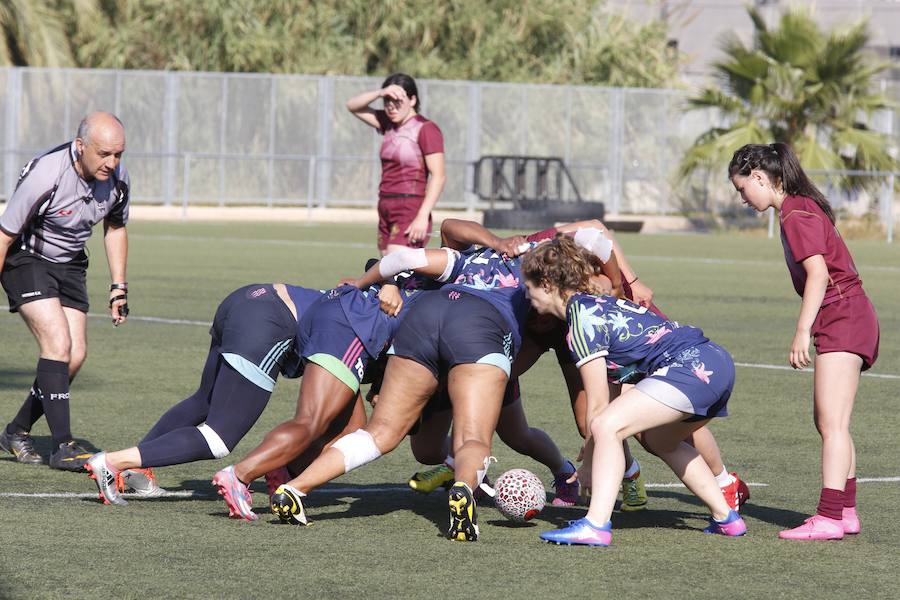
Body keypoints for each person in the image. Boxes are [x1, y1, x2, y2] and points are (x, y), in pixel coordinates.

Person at [523, 236, 747, 546]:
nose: (527, 294)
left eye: (529, 286)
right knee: (660, 441)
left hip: (692, 367)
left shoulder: (582, 320)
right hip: (715, 363)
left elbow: (599, 407)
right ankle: (726, 518)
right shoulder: (595, 304)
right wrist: (592, 451)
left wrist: (588, 461)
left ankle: (595, 525)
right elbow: (613, 391)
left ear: (547, 284)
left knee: (605, 425)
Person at [729, 143, 879, 541]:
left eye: (743, 189)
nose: (743, 199)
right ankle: (845, 512)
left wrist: (801, 331)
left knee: (832, 424)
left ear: (760, 177)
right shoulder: (798, 207)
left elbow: (817, 274)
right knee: (832, 423)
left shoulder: (795, 212)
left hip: (843, 315)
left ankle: (829, 517)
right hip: (849, 315)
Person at [85, 283, 324, 506]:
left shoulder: (352, 301)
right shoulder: (357, 326)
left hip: (247, 298)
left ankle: (137, 469)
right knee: (218, 439)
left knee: (205, 400)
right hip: (268, 321)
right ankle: (112, 462)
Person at [0, 112, 130, 471]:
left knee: (73, 357)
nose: (112, 162)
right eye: (104, 153)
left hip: (71, 264)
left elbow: (115, 228)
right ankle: (64, 446)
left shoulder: (118, 178)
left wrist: (119, 286)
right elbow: (5, 235)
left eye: (118, 154)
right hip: (27, 259)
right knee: (57, 344)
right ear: (80, 146)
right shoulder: (47, 173)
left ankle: (16, 431)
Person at [346, 73, 446, 255]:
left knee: (396, 268)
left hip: (410, 206)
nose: (391, 106)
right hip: (385, 204)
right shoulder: (388, 123)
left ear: (413, 100)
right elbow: (352, 106)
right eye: (387, 101)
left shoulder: (426, 129)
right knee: (388, 269)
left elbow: (439, 176)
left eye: (397, 101)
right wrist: (380, 92)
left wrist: (423, 216)